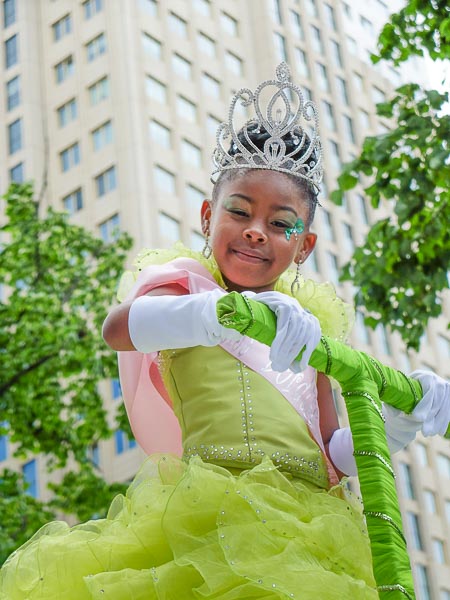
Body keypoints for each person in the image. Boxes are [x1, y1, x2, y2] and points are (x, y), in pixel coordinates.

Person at [1, 63, 448, 600]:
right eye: (240, 211)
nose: (257, 231)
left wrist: (396, 423)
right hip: (211, 514)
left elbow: (334, 455)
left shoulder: (313, 332)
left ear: (303, 245)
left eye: (282, 223)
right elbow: (120, 328)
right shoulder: (183, 286)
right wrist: (222, 314)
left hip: (316, 535)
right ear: (209, 216)